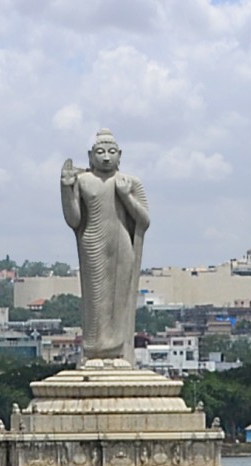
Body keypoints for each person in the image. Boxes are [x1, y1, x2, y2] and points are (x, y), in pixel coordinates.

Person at [61, 129, 150, 362]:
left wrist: (125, 195)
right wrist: (67, 189)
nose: (106, 157)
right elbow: (74, 220)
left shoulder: (129, 182)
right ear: (91, 155)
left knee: (120, 298)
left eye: (112, 152)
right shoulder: (83, 181)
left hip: (121, 243)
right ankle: (95, 350)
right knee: (96, 299)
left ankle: (119, 350)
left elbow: (144, 220)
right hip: (92, 241)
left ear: (120, 155)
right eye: (100, 152)